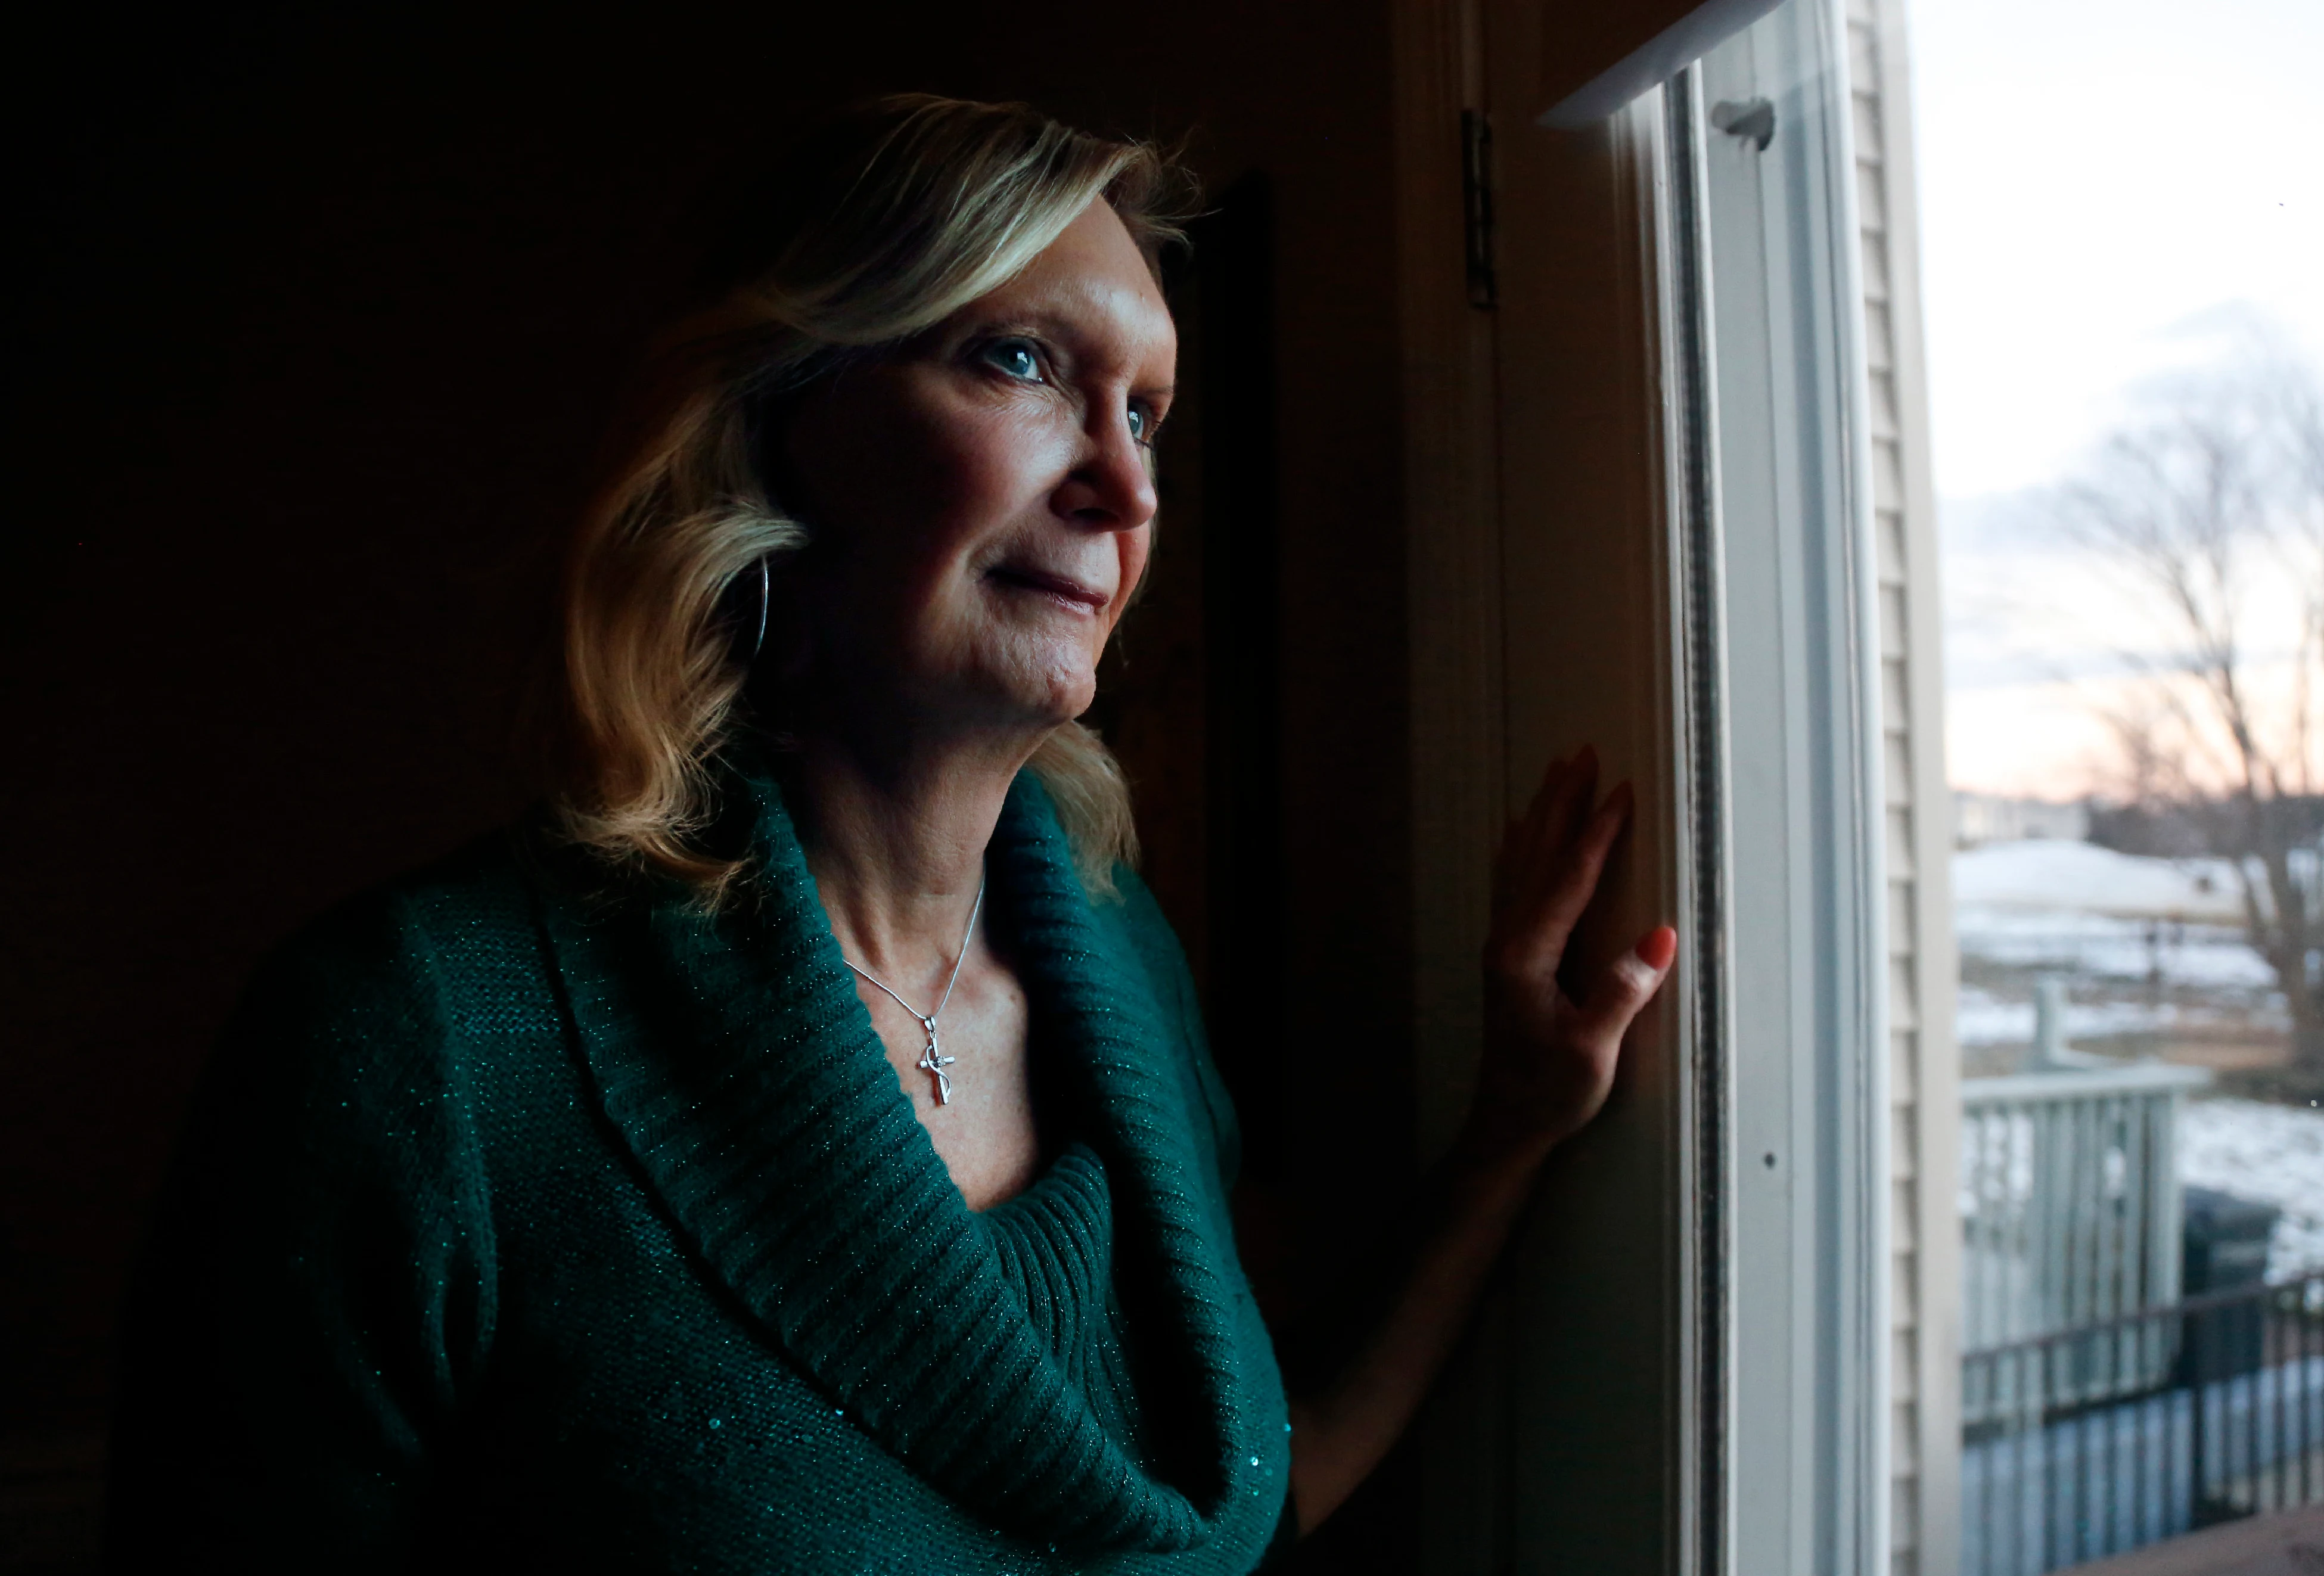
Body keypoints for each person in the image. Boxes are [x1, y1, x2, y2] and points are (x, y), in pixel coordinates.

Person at [105, 95, 1677, 1572]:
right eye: (1016, 361)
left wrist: (1512, 1126)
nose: (1122, 481)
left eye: (1150, 414)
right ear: (779, 421)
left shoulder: (1123, 962)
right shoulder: (412, 1040)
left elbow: (1243, 1503)